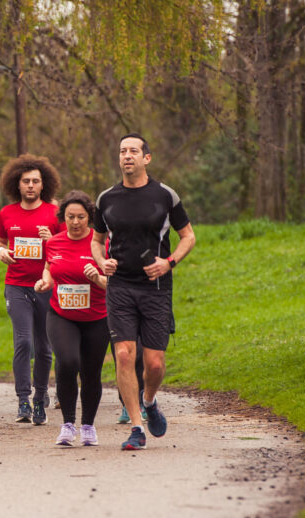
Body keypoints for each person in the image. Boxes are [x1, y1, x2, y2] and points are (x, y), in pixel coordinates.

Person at [91, 133, 195, 450]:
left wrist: (169, 262)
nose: (127, 156)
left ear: (146, 158)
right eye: (123, 151)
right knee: (123, 355)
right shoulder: (106, 199)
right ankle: (136, 428)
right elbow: (96, 241)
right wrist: (101, 262)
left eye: (134, 151)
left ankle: (149, 401)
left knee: (155, 364)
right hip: (120, 285)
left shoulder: (165, 196)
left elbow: (188, 236)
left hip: (155, 288)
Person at [34, 191, 110, 446]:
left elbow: (116, 285)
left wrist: (97, 279)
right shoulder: (54, 242)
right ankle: (67, 425)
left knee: (91, 372)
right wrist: (45, 281)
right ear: (63, 218)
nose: (75, 222)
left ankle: (88, 425)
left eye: (80, 217)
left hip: (97, 317)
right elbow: (49, 267)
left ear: (90, 218)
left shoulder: (101, 244)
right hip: (61, 315)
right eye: (70, 217)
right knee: (67, 361)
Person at [0, 154, 63, 425]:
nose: (31, 186)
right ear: (17, 184)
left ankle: (39, 399)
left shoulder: (54, 213)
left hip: (45, 286)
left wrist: (53, 239)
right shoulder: (6, 213)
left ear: (44, 184)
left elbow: (68, 246)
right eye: (26, 181)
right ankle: (23, 399)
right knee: (23, 342)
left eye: (36, 181)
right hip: (16, 285)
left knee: (45, 347)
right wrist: (1, 252)